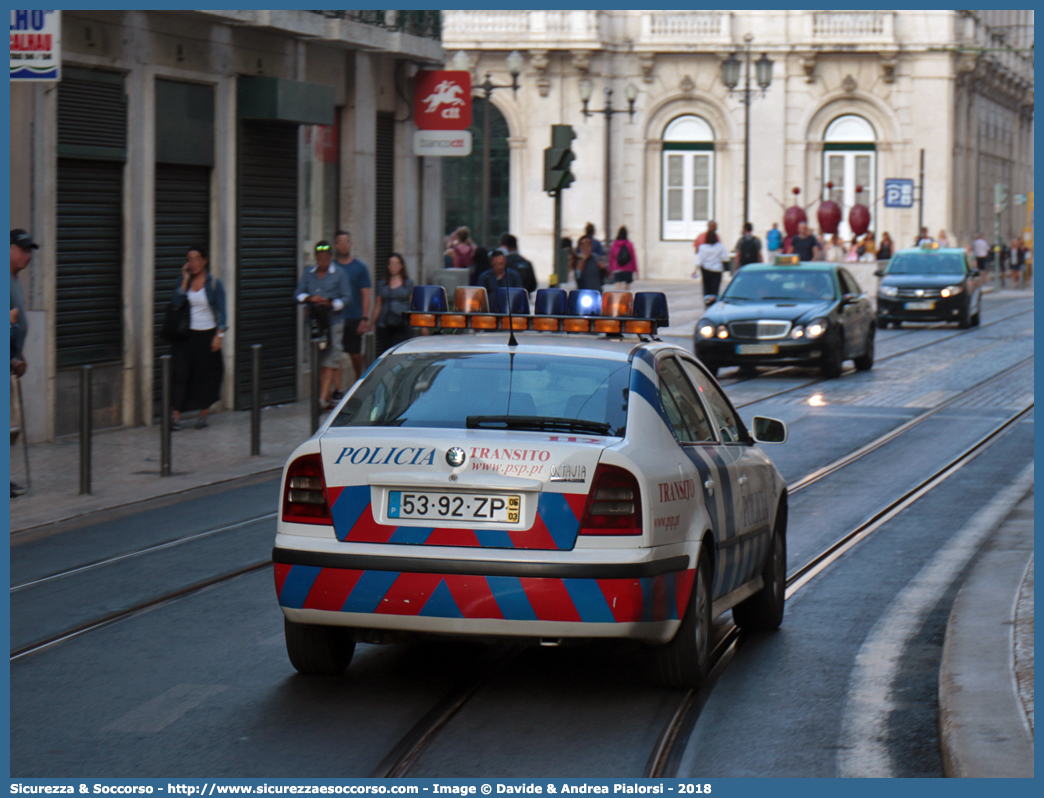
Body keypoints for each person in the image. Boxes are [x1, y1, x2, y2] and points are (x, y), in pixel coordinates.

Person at [170, 245, 227, 430]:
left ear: (204, 260)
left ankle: (203, 412)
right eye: (189, 259)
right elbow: (177, 304)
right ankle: (176, 415)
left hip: (207, 334)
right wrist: (185, 281)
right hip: (186, 335)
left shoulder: (214, 284)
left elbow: (222, 312)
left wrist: (219, 336)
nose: (192, 263)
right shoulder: (182, 280)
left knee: (205, 375)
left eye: (196, 259)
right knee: (180, 373)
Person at [294, 240, 351, 410]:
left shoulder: (340, 274)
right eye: (319, 258)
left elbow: (347, 297)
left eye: (325, 258)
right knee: (318, 359)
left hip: (333, 321)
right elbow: (297, 293)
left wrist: (331, 303)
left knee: (331, 359)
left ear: (330, 258)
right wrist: (309, 298)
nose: (322, 261)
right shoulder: (308, 273)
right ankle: (324, 397)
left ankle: (321, 399)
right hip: (314, 322)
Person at [10, 229, 37, 498]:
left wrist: (20, 355)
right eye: (22, 249)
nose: (27, 255)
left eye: (29, 250)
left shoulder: (15, 281)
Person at [333, 230, 371, 389]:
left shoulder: (360, 267)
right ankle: (338, 390)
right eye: (340, 242)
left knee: (355, 354)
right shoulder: (332, 267)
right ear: (336, 245)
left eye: (346, 242)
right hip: (335, 317)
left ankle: (358, 380)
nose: (343, 245)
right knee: (335, 356)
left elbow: (366, 293)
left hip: (354, 316)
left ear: (350, 244)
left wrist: (364, 318)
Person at [372, 253, 416, 354]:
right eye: (391, 264)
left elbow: (413, 303)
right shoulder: (382, 284)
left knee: (399, 350)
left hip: (402, 322)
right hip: (385, 322)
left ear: (401, 266)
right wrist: (372, 323)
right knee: (386, 351)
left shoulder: (408, 284)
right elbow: (378, 305)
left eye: (396, 264)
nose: (393, 266)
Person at [693, 229, 728, 298]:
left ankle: (707, 301)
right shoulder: (721, 247)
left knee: (707, 288)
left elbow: (700, 260)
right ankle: (714, 301)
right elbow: (724, 258)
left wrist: (695, 270)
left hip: (706, 270)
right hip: (717, 270)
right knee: (715, 289)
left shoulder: (702, 247)